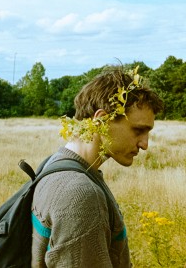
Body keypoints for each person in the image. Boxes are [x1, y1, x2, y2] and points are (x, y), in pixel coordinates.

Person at [31, 66, 164, 267]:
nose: (145, 144)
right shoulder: (79, 194)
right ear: (101, 120)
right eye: (138, 130)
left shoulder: (55, 164)